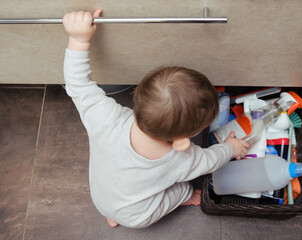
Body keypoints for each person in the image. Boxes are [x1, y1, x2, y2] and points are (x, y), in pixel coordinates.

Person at [62, 10, 250, 228]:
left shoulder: (105, 118)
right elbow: (210, 160)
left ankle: (112, 216)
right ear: (181, 141)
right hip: (138, 216)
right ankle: (184, 199)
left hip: (102, 198)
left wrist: (78, 38)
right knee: (182, 188)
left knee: (121, 200)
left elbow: (78, 84)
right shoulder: (182, 159)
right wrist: (231, 148)